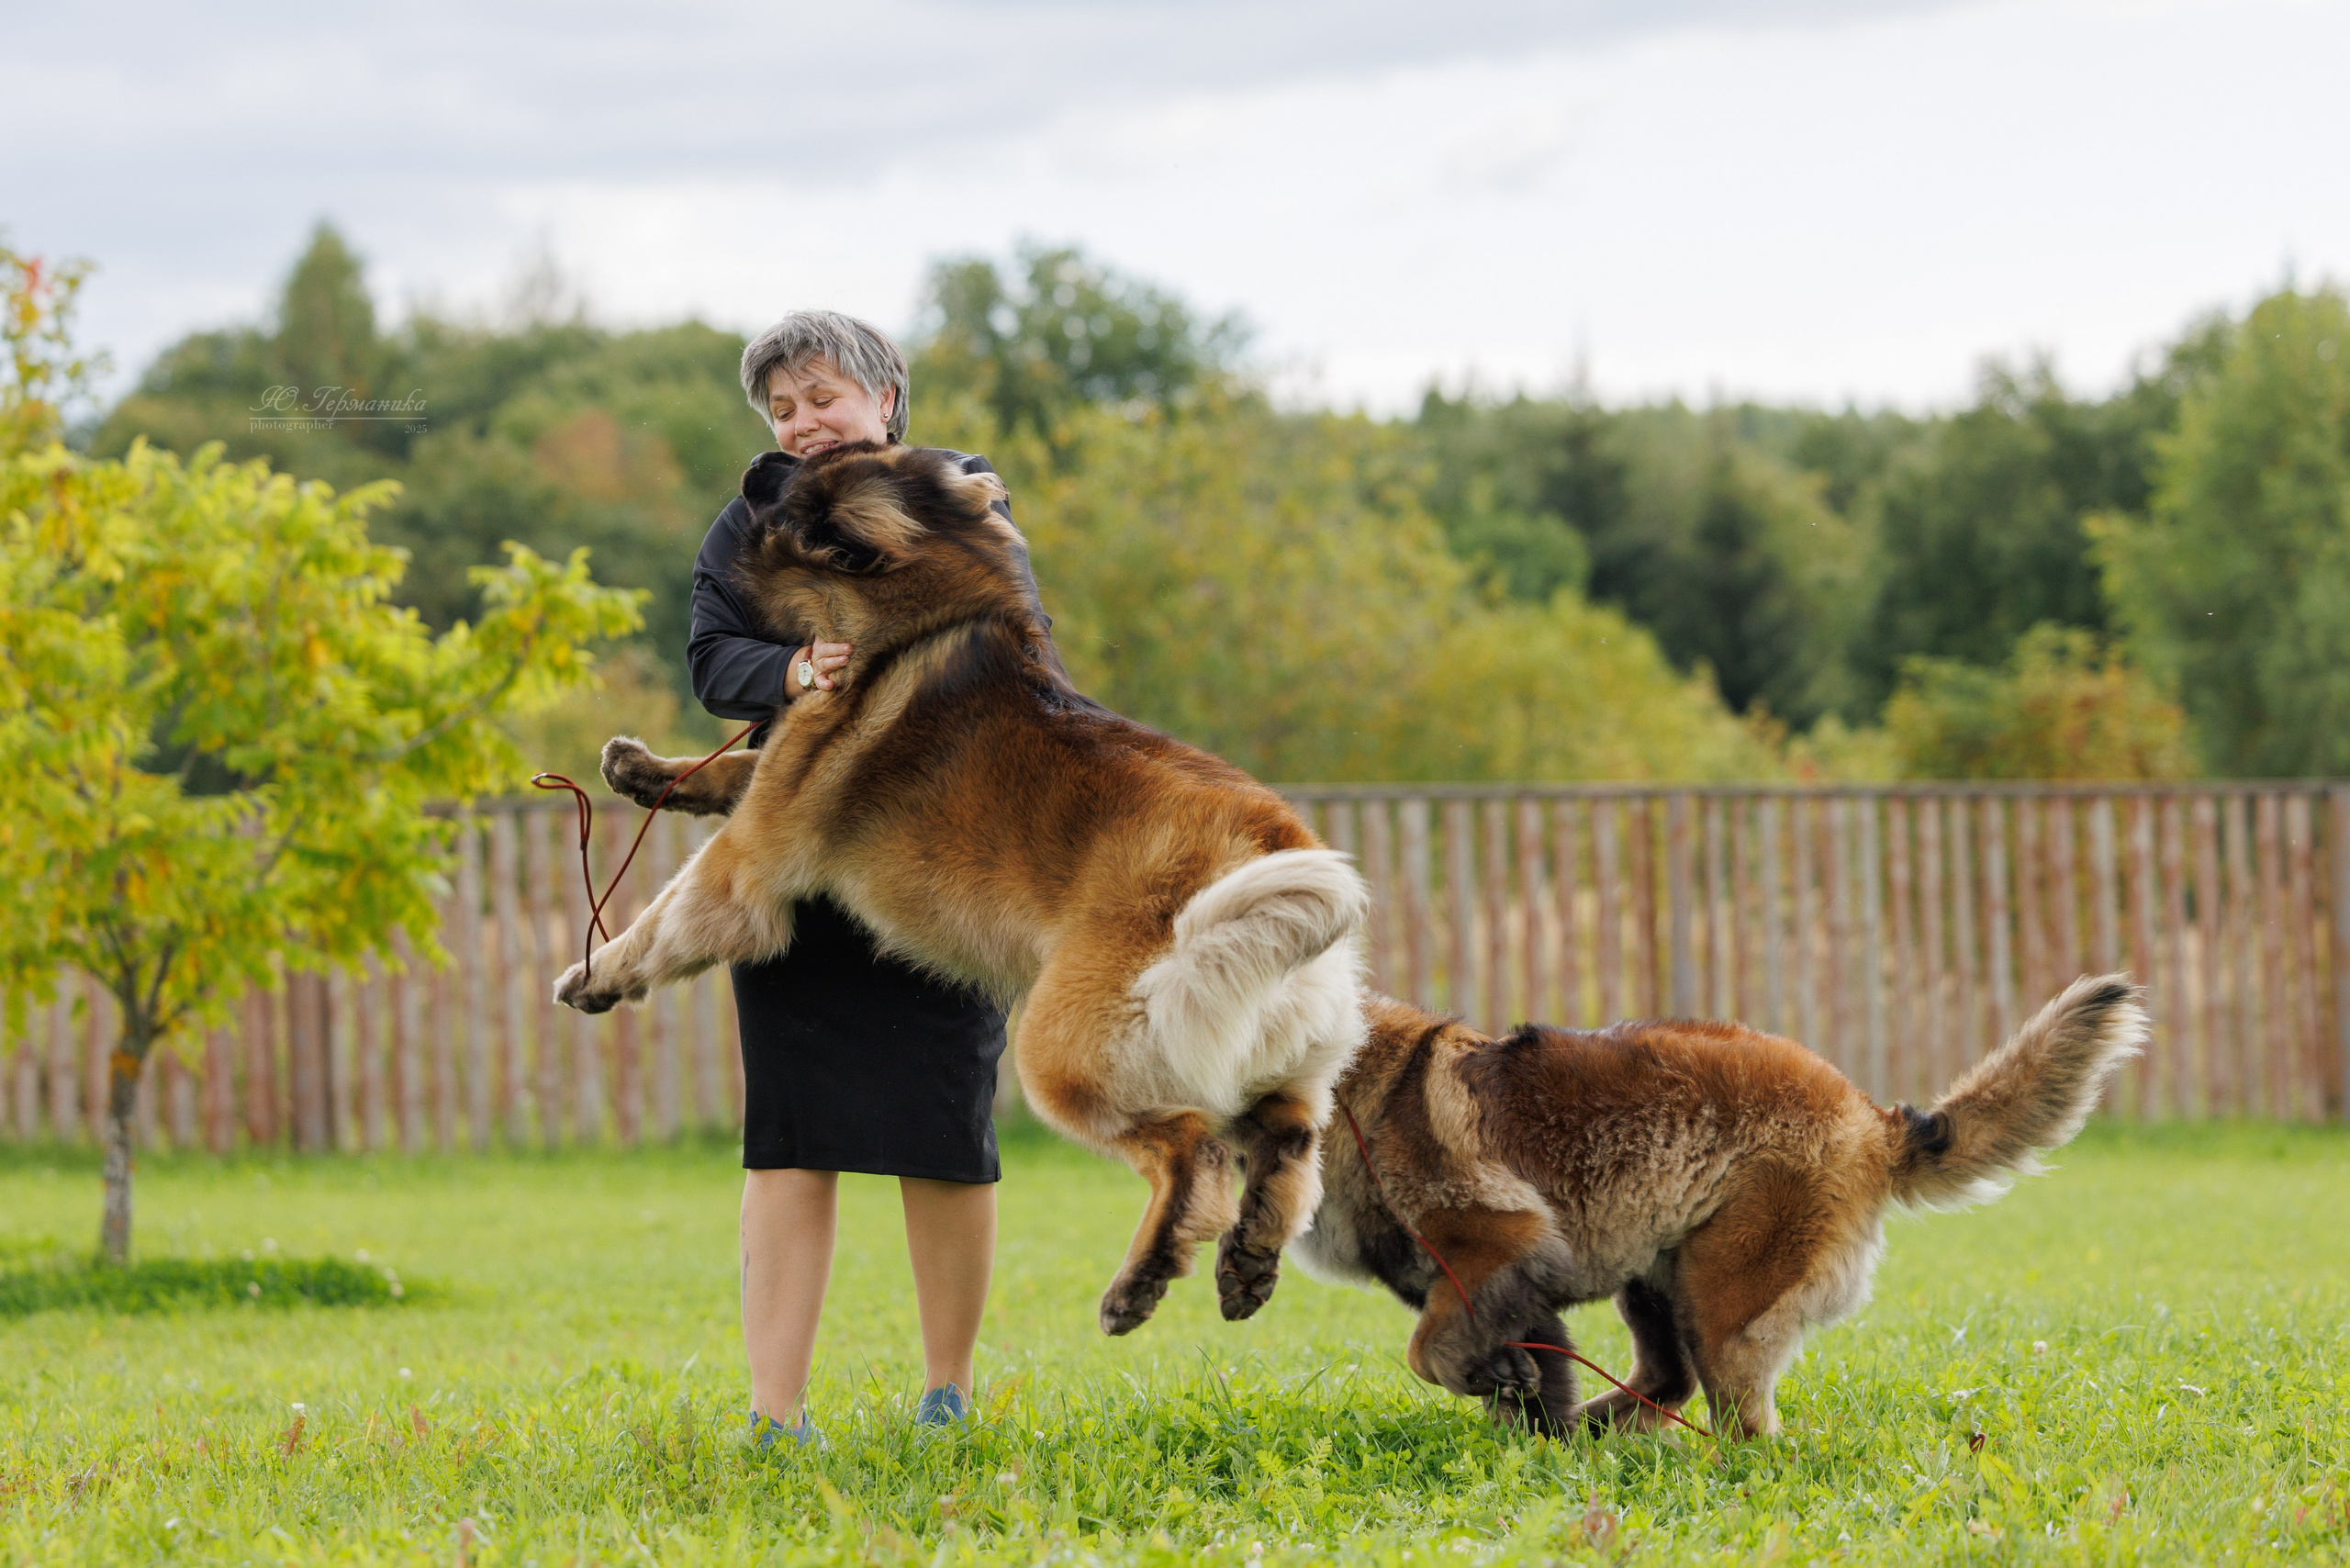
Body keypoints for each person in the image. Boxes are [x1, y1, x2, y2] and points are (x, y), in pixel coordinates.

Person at [688, 310, 1028, 1448]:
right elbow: (709, 659)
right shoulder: (743, 528)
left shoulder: (958, 497)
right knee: (792, 1137)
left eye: (823, 395)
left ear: (887, 399)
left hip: (942, 867)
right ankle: (774, 1416)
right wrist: (790, 663)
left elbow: (998, 633)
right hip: (800, 866)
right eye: (782, 409)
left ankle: (947, 1394)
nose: (804, 422)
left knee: (945, 1128)